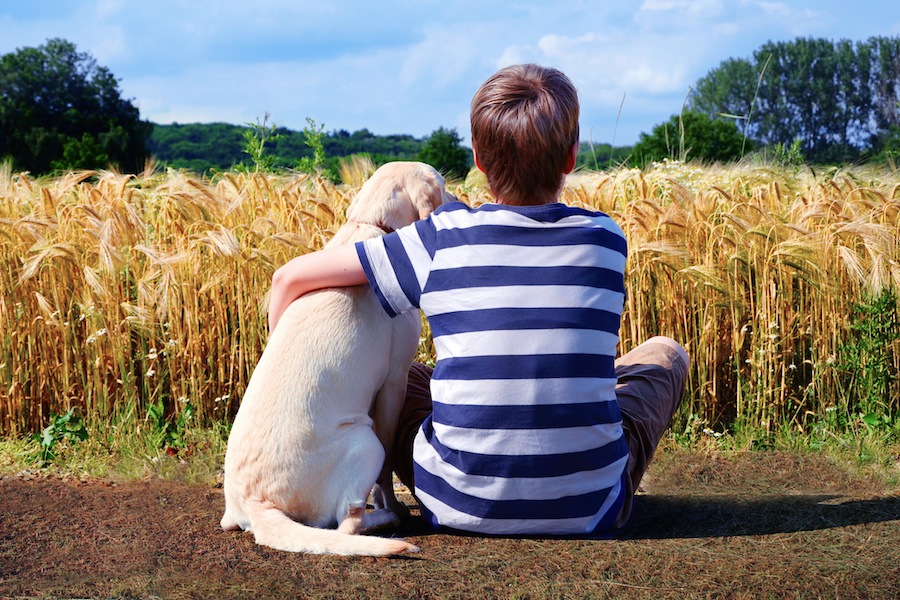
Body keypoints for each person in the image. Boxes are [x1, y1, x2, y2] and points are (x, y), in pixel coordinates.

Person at [268, 63, 689, 537]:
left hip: (454, 501)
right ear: (571, 157)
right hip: (592, 506)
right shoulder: (606, 238)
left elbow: (289, 280)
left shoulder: (441, 238)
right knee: (664, 353)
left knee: (400, 373)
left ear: (478, 159)